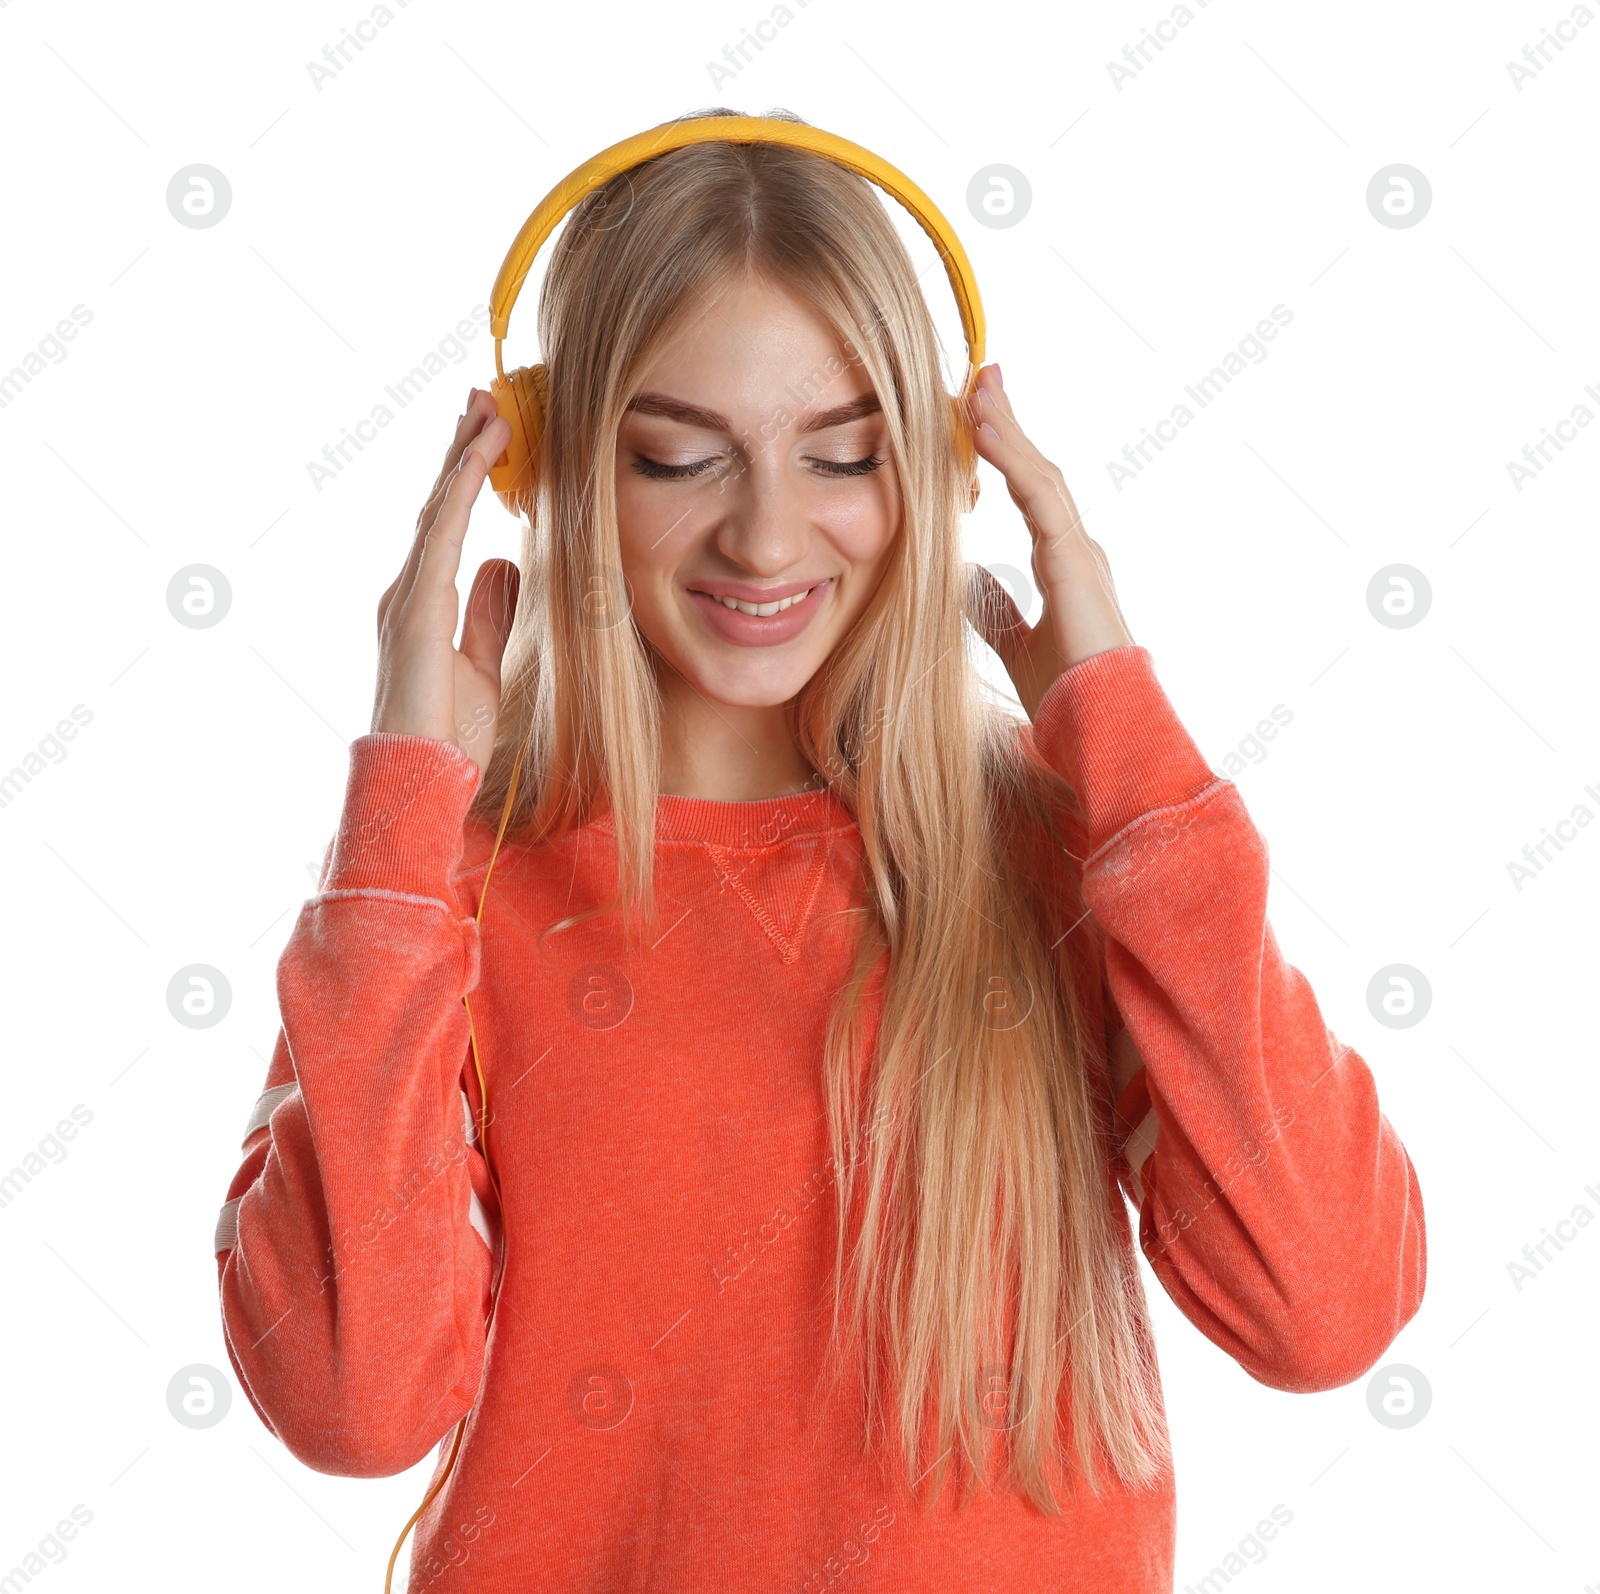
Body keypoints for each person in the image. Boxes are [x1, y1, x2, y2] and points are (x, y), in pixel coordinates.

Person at [213, 107, 1425, 1592]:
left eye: (839, 454)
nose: (769, 539)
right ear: (551, 474)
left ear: (939, 473)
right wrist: (405, 808)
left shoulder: (1068, 863)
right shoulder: (429, 904)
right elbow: (352, 1404)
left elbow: (1326, 1309)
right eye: (678, 460)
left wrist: (1123, 738)